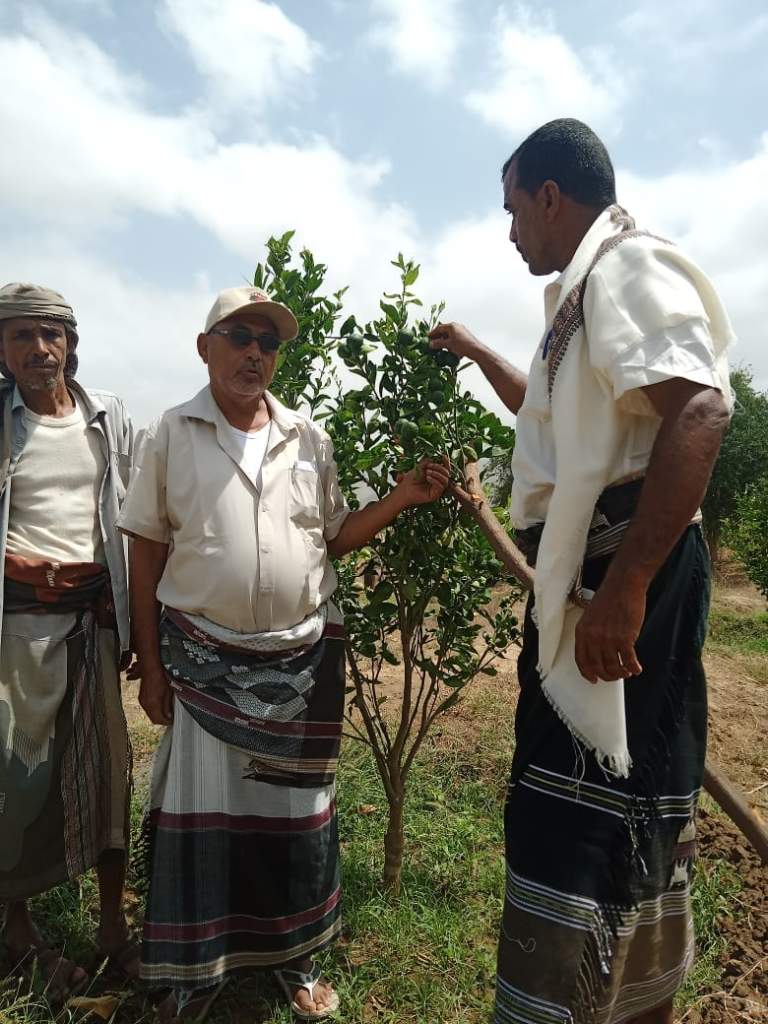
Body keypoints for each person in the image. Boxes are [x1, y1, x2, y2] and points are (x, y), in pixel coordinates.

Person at [430, 119, 733, 1024]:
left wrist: (629, 587)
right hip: (595, 587)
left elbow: (701, 413)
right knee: (596, 801)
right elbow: (556, 433)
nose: (511, 230)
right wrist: (484, 354)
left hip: (624, 583)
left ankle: (597, 1000)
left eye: (514, 208)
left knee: (605, 805)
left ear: (551, 197)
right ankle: (586, 999)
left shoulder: (629, 267)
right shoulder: (578, 303)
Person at [119, 285, 449, 1021]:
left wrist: (398, 499)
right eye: (240, 336)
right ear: (206, 346)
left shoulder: (310, 438)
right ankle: (193, 973)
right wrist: (148, 664)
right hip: (202, 663)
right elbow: (146, 552)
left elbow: (332, 536)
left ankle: (294, 960)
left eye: (269, 343)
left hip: (299, 666)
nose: (255, 353)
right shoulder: (170, 434)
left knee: (296, 824)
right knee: (202, 819)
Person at [0, 283, 137, 997]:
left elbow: (135, 514)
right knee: (17, 776)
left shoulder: (106, 417)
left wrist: (135, 618)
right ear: (2, 351)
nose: (39, 349)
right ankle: (17, 929)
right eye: (21, 336)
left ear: (71, 344)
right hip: (17, 629)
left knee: (107, 770)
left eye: (50, 334)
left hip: (95, 624)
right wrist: (22, 567)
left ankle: (113, 923)